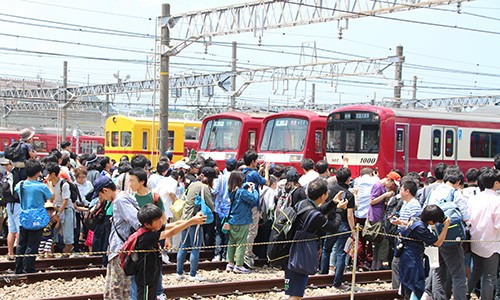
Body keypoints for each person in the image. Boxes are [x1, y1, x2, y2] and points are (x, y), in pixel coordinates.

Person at [285, 178, 347, 300]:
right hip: (300, 254)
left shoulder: (303, 204)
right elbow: (333, 227)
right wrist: (340, 210)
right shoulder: (315, 215)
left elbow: (316, 211)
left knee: (294, 290)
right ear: (324, 195)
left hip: (292, 251)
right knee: (296, 294)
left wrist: (333, 203)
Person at [133, 203, 206, 300]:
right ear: (147, 224)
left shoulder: (152, 228)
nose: (160, 222)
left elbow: (174, 224)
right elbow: (171, 232)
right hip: (145, 276)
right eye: (157, 220)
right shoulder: (146, 236)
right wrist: (191, 221)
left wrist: (192, 221)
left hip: (152, 273)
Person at [424, 167, 469, 300]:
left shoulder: (433, 191)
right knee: (458, 275)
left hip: (434, 237)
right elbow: (466, 216)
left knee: (438, 272)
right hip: (451, 239)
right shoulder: (455, 193)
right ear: (458, 181)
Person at [93, 176, 141, 300]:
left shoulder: (120, 201)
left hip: (120, 251)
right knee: (119, 289)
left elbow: (136, 222)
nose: (101, 198)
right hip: (119, 249)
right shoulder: (122, 198)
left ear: (105, 190)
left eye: (100, 195)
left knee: (117, 289)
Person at [128, 168, 166, 300]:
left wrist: (167, 238)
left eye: (132, 181)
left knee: (155, 268)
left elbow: (163, 217)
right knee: (139, 273)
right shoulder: (131, 199)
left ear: (142, 181)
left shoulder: (154, 197)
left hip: (155, 238)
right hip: (140, 240)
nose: (130, 184)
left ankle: (158, 293)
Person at [398, 205, 451, 299]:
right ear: (430, 221)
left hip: (408, 256)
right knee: (414, 286)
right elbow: (438, 242)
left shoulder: (417, 219)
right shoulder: (420, 228)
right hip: (411, 259)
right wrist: (446, 226)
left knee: (411, 286)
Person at [176, 167, 215, 282]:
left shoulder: (193, 184)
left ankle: (179, 272)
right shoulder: (204, 187)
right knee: (196, 247)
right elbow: (210, 206)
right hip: (195, 219)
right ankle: (193, 274)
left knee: (183, 245)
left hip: (185, 218)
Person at [319, 167, 355, 290]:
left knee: (326, 249)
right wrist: (354, 231)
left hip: (330, 224)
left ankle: (322, 278)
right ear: (348, 179)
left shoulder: (330, 190)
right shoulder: (349, 194)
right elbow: (350, 215)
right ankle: (337, 282)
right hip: (344, 225)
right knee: (341, 253)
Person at [14, 160, 53, 274]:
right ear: (38, 172)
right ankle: (29, 268)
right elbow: (51, 196)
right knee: (32, 244)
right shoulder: (41, 186)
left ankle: (19, 268)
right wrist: (48, 182)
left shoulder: (20, 184)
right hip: (37, 219)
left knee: (22, 244)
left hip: (24, 218)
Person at [467, 169, 500, 300]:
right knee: (490, 276)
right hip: (491, 243)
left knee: (476, 271)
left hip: (475, 241)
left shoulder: (475, 198)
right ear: (496, 183)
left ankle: (464, 294)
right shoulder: (497, 201)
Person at [224, 171, 259, 274]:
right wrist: (253, 190)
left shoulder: (231, 190)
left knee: (231, 243)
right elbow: (254, 199)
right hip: (242, 220)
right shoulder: (242, 192)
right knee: (241, 243)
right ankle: (239, 265)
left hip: (232, 220)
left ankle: (230, 264)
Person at [368, 171, 400, 271]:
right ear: (389, 180)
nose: (392, 186)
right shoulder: (378, 185)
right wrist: (385, 195)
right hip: (375, 216)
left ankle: (375, 265)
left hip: (378, 215)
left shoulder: (381, 186)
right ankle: (378, 265)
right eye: (393, 184)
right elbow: (372, 201)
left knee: (378, 241)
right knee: (382, 241)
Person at [45, 162, 74, 254]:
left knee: (67, 235)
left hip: (66, 209)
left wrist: (58, 214)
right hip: (55, 209)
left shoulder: (64, 184)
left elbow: (66, 200)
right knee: (52, 233)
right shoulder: (49, 184)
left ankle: (67, 254)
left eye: (48, 173)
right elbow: (51, 197)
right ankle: (51, 254)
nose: (46, 175)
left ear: (53, 174)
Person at [352, 167, 378, 269]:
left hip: (359, 214)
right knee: (371, 238)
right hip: (370, 214)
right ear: (371, 173)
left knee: (360, 239)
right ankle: (369, 260)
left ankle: (360, 262)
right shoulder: (375, 180)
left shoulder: (357, 181)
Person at [211, 158, 236, 262]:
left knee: (218, 232)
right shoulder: (236, 178)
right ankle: (226, 255)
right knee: (228, 232)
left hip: (219, 208)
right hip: (230, 209)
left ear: (226, 166)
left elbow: (214, 191)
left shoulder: (220, 178)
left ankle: (217, 254)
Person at [1, 158, 19, 260]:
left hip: (9, 204)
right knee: (19, 229)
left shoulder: (5, 176)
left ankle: (10, 253)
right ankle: (18, 253)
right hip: (17, 204)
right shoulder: (16, 174)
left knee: (11, 230)